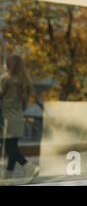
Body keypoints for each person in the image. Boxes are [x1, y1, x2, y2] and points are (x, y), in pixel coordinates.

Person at [0, 55, 40, 185]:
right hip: (18, 117)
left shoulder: (5, 79)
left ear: (9, 65)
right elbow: (24, 103)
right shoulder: (24, 81)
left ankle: (29, 167)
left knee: (7, 147)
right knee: (12, 147)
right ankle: (8, 178)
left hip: (6, 117)